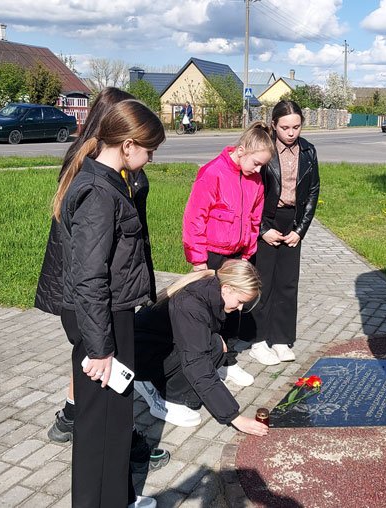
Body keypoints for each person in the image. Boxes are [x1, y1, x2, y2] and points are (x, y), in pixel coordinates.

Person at [34, 88, 168, 472]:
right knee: (102, 415)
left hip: (106, 304)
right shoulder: (97, 186)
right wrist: (99, 347)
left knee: (109, 409)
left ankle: (114, 480)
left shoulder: (111, 175)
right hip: (98, 307)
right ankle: (99, 458)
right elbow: (90, 273)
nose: (152, 158)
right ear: (125, 141)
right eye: (148, 149)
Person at [181, 121, 274, 386]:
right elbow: (194, 218)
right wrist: (198, 260)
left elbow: (255, 219)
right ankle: (204, 361)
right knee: (209, 311)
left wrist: (248, 254)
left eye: (262, 166)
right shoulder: (213, 173)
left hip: (238, 256)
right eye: (256, 163)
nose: (258, 170)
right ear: (242, 150)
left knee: (234, 311)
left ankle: (228, 361)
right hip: (211, 255)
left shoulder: (256, 181)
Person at [132, 259, 269, 436]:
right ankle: (165, 399)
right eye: (240, 301)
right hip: (141, 358)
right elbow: (196, 362)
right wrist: (234, 417)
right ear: (227, 288)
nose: (240, 307)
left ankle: (166, 385)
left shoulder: (212, 290)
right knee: (213, 347)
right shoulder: (191, 304)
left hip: (159, 348)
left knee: (215, 345)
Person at [248, 100, 320, 366]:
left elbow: (313, 192)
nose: (291, 133)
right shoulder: (264, 150)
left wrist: (300, 230)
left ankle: (281, 338)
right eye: (285, 127)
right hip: (266, 219)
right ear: (274, 125)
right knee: (262, 281)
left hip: (292, 221)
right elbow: (252, 191)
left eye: (297, 127)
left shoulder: (309, 151)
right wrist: (263, 229)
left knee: (288, 283)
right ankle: (259, 340)